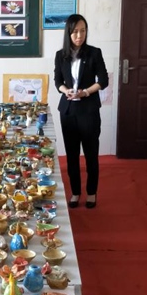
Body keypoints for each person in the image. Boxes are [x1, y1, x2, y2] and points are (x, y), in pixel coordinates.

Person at [54, 14, 108, 209]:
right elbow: (58, 81)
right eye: (75, 31)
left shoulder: (94, 53)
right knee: (71, 155)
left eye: (83, 31)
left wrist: (85, 92)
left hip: (89, 110)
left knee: (91, 154)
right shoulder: (61, 55)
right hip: (68, 111)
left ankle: (91, 192)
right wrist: (66, 90)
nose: (79, 35)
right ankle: (76, 192)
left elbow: (103, 80)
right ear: (68, 33)